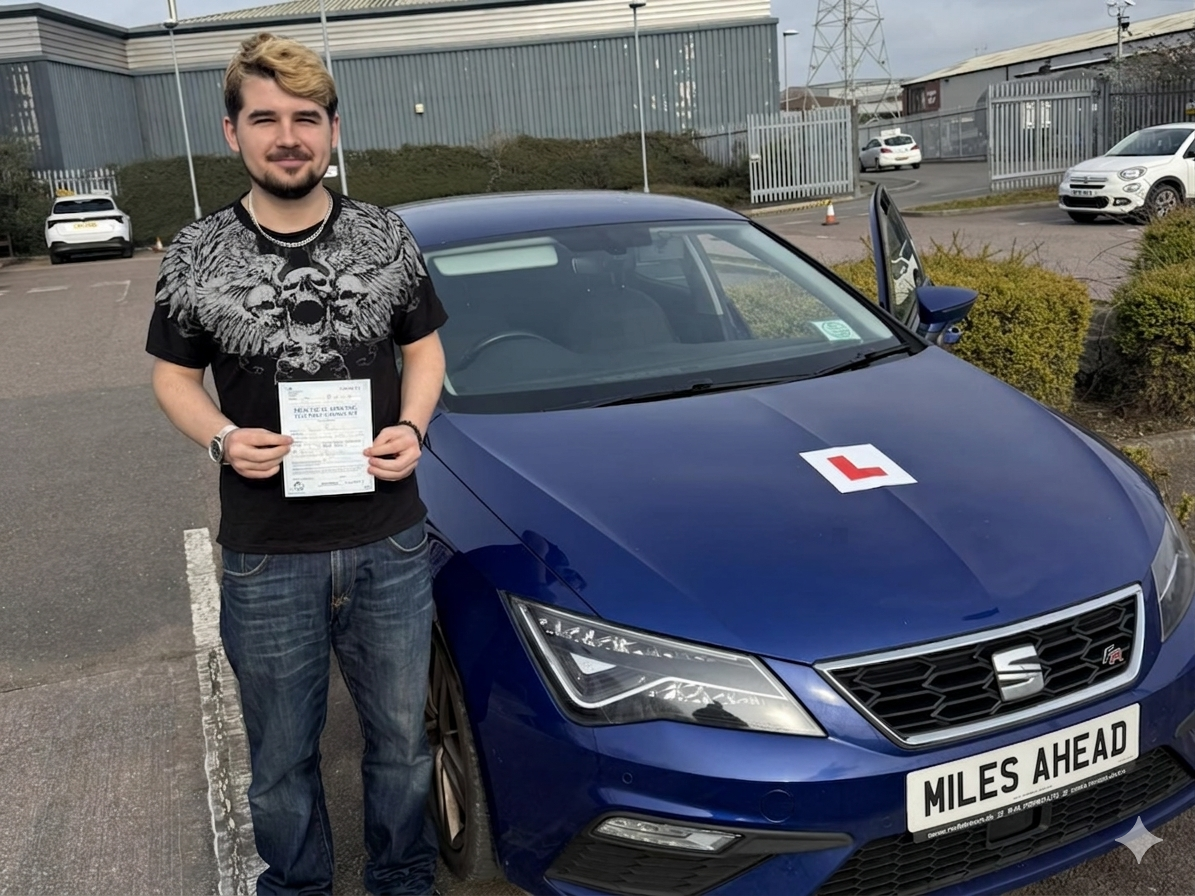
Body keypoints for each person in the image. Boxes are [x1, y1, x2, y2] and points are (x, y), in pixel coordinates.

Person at [145, 32, 446, 896]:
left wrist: (413, 426)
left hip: (389, 540)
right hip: (267, 551)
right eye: (265, 118)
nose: (288, 137)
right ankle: (299, 886)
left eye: (306, 118)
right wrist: (221, 438)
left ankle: (402, 880)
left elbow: (424, 351)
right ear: (232, 131)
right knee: (280, 758)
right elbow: (172, 378)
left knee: (402, 743)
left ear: (333, 131)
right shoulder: (196, 253)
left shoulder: (384, 236)